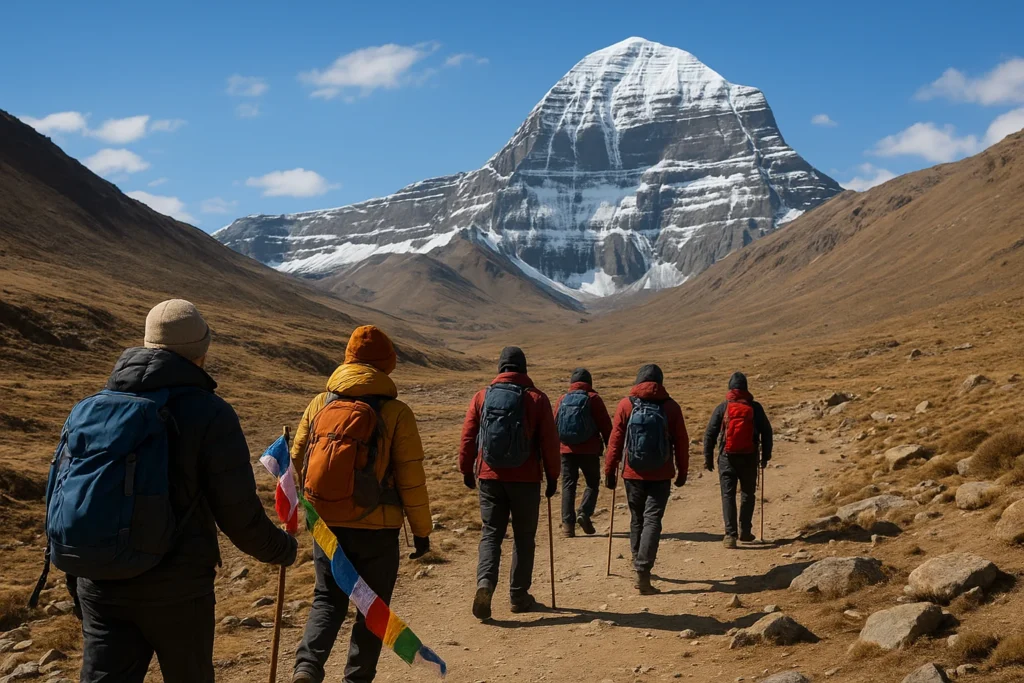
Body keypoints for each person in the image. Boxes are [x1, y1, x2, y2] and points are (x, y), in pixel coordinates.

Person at [57, 299, 298, 683]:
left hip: (98, 580)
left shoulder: (91, 407)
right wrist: (281, 549)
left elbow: (63, 494)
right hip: (177, 589)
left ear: (148, 343)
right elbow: (238, 514)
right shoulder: (211, 413)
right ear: (201, 352)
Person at [289, 325, 433, 683]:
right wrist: (422, 532)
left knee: (326, 599)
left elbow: (297, 458)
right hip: (378, 527)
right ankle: (357, 678)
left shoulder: (321, 403)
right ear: (388, 364)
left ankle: (306, 667)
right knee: (372, 609)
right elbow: (411, 478)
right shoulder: (397, 412)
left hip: (327, 524)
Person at [459, 346, 560, 619]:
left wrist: (466, 470)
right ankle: (518, 596)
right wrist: (552, 476)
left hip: (489, 477)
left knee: (491, 534)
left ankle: (485, 584)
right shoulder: (537, 399)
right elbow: (550, 443)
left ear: (500, 368)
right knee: (524, 538)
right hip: (526, 480)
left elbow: (469, 436)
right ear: (524, 368)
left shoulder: (482, 397)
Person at [604, 364, 689, 595]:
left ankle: (636, 560)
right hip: (661, 473)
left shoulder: (626, 404)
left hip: (633, 473)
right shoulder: (671, 407)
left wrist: (609, 471)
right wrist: (682, 471)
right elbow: (681, 441)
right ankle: (643, 571)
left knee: (637, 518)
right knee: (653, 520)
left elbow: (615, 441)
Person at [703, 372, 774, 549]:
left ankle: (730, 535)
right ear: (746, 388)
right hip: (749, 457)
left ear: (730, 388)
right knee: (748, 494)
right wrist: (765, 456)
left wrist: (708, 458)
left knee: (728, 495)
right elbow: (767, 433)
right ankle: (745, 531)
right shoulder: (755, 407)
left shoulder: (723, 407)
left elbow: (710, 434)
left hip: (727, 457)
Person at [553, 368, 612, 537]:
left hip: (566, 450)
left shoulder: (562, 399)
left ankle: (567, 526)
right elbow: (605, 426)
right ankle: (584, 513)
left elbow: (554, 424)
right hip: (589, 450)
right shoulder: (593, 399)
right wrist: (612, 449)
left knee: (568, 485)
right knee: (592, 483)